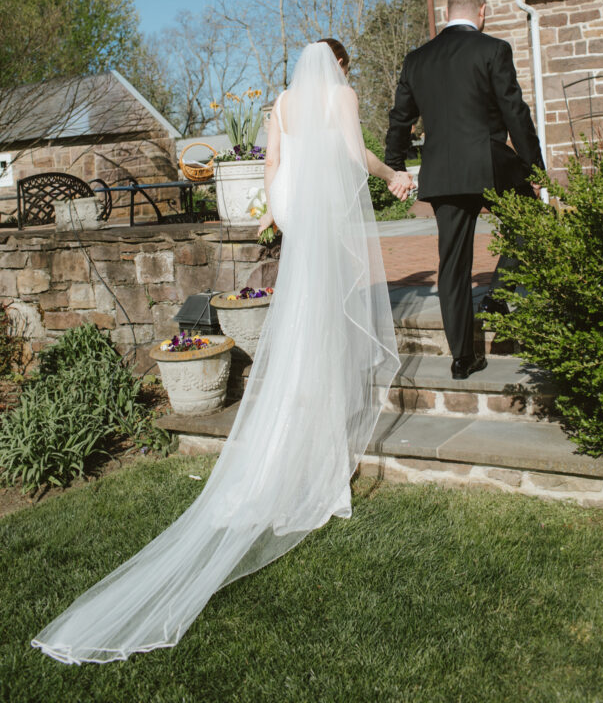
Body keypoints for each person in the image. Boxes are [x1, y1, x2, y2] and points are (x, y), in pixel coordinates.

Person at [32, 40, 406, 664]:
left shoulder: (282, 103)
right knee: (325, 329)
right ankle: (320, 469)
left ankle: (300, 451)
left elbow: (270, 166)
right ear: (339, 67)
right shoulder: (342, 95)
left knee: (299, 330)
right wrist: (391, 173)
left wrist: (274, 215)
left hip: (296, 218)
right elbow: (349, 152)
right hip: (325, 221)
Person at [385, 0, 544, 380]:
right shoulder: (493, 49)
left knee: (452, 263)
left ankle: (461, 358)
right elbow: (516, 114)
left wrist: (395, 166)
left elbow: (399, 120)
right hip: (489, 163)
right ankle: (500, 294)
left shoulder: (417, 59)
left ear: (447, 13)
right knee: (532, 220)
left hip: (442, 172)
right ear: (482, 11)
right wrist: (535, 171)